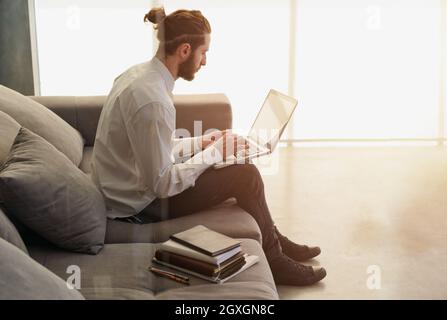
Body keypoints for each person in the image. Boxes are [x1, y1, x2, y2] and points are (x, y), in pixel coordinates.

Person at [91, 6, 326, 286]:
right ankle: (275, 260)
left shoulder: (137, 76)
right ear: (185, 50)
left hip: (127, 188)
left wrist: (202, 143)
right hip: (138, 206)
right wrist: (214, 153)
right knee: (244, 174)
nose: (205, 62)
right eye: (204, 53)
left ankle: (275, 242)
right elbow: (161, 183)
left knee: (232, 164)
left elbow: (151, 148)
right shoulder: (152, 100)